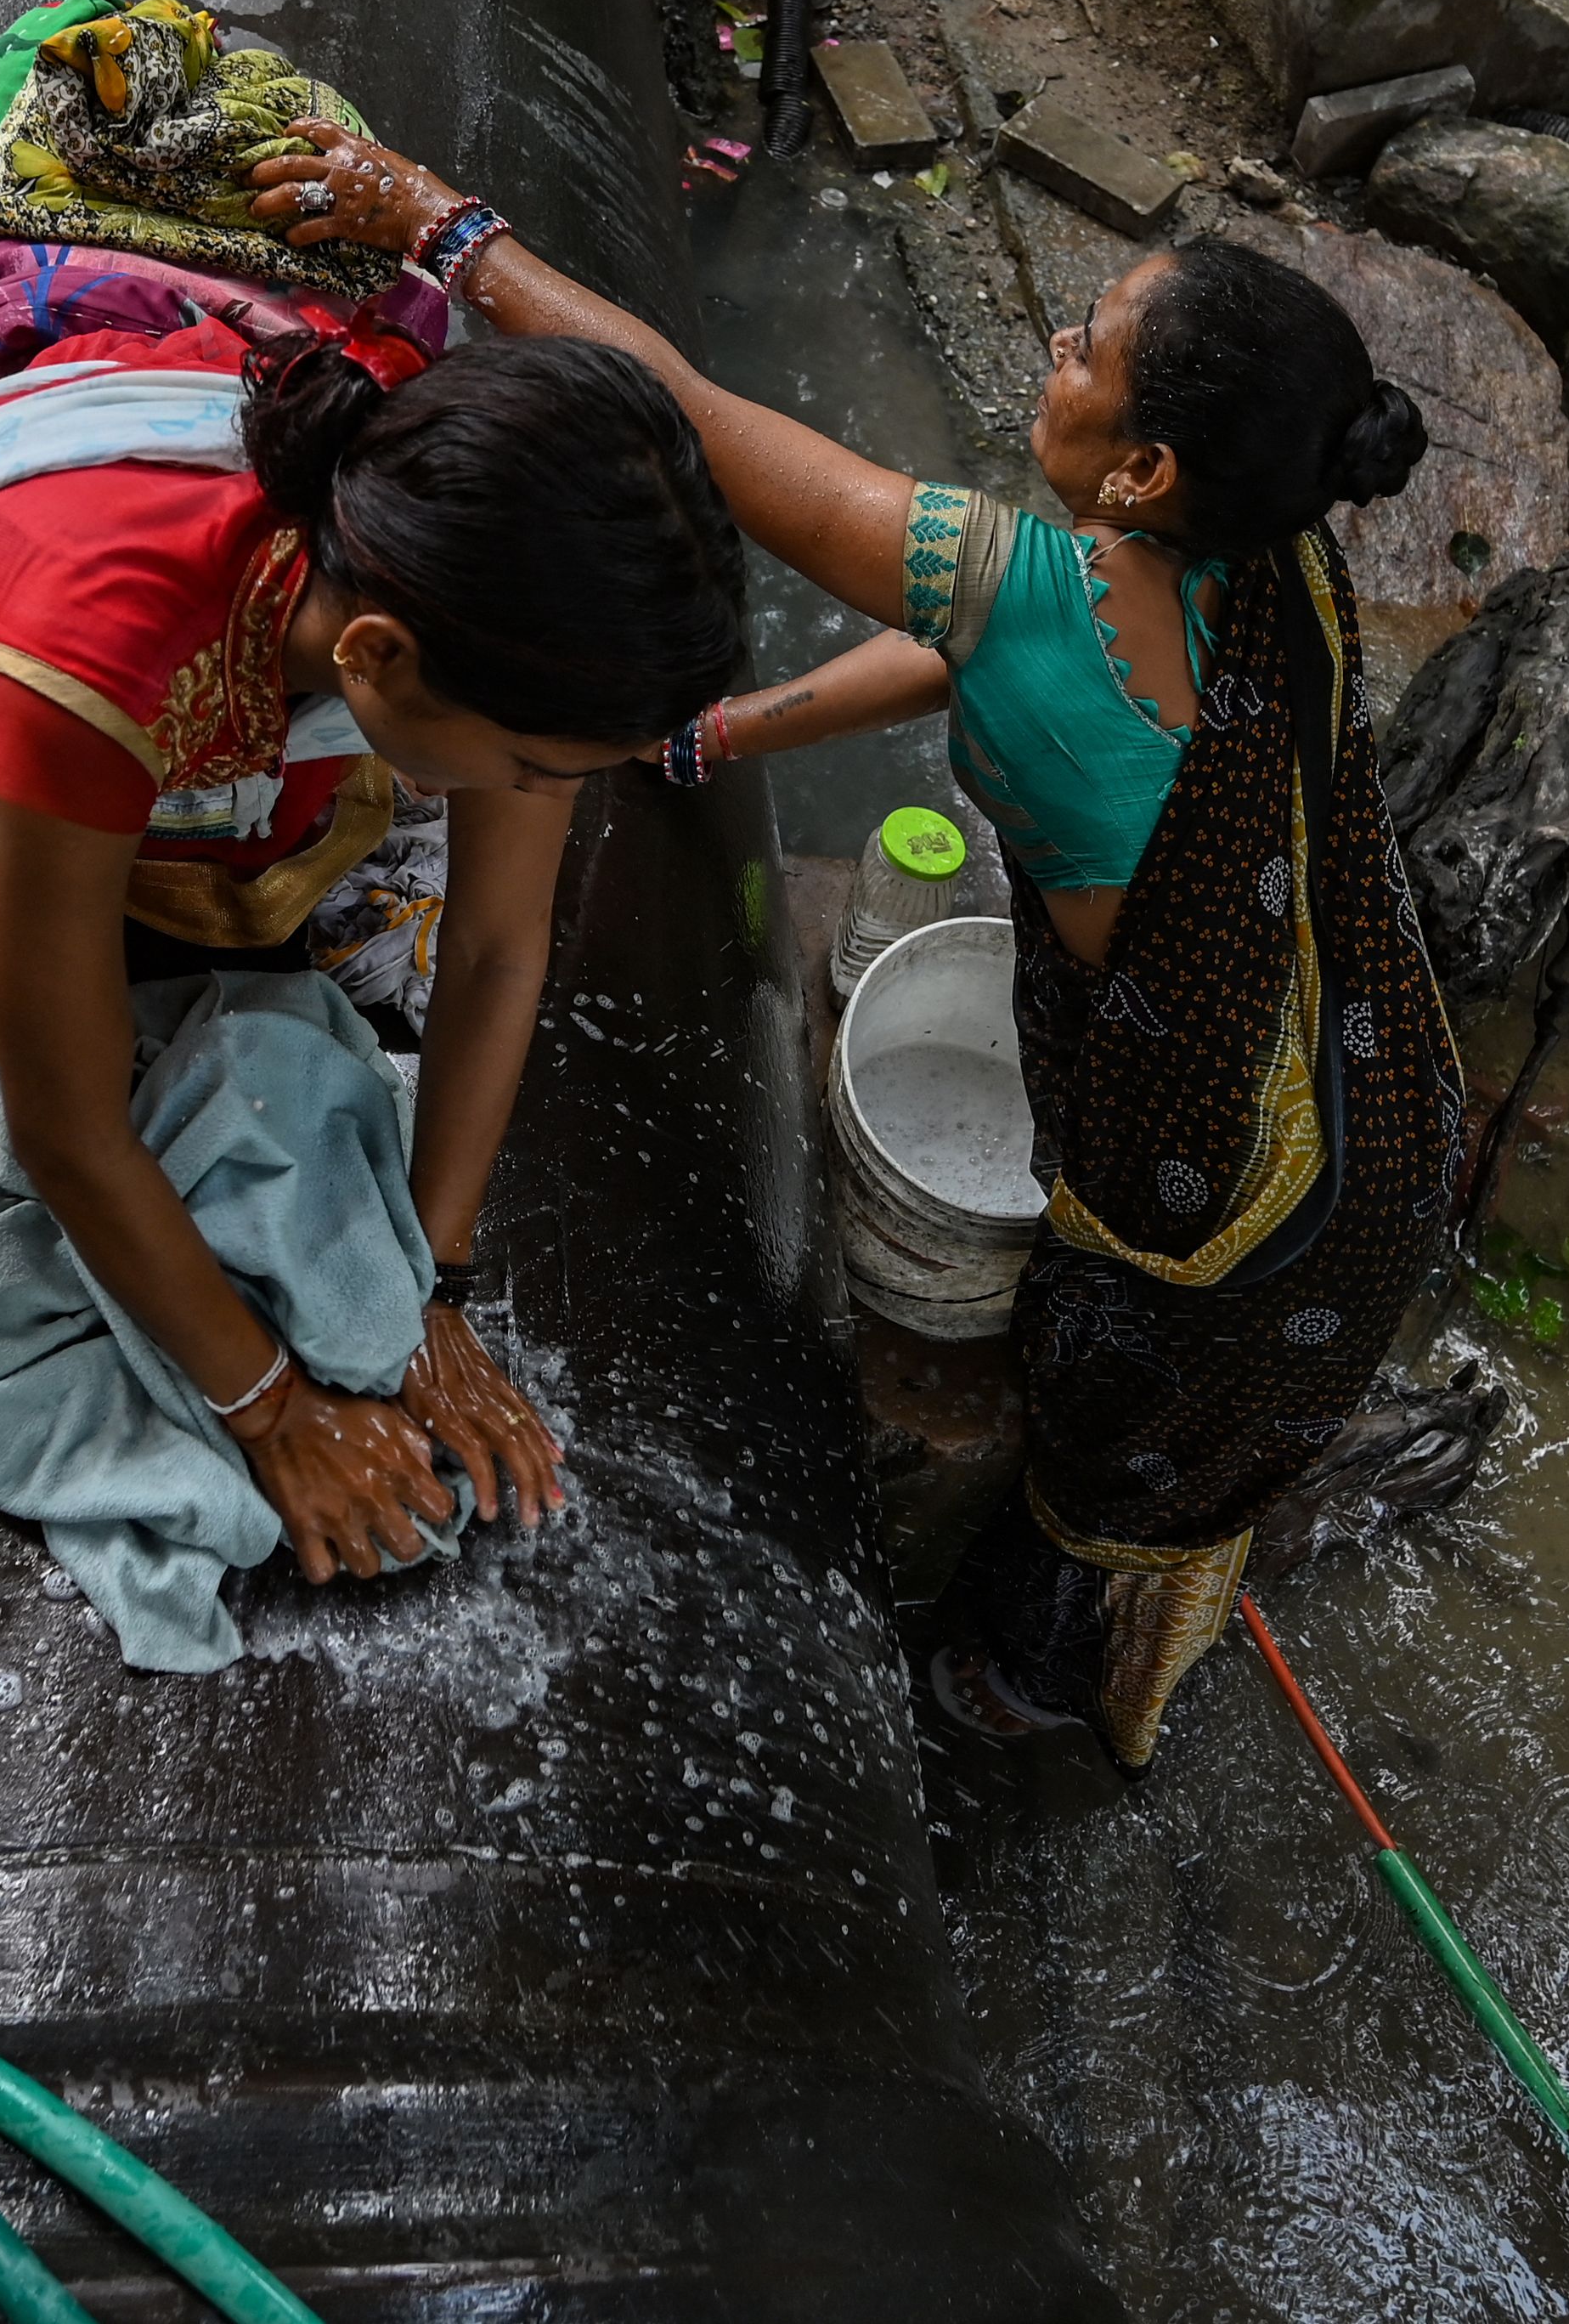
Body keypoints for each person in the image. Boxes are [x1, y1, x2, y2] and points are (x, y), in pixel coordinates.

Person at [252, 135, 1461, 1769]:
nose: (1056, 351)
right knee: (1183, 1405)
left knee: (1104, 1441)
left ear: (1146, 474)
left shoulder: (1040, 598)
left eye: (1086, 346)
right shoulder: (1264, 553)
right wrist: (721, 732)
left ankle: (1013, 1684)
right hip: (1355, 1089)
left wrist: (445, 231)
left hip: (1226, 1223)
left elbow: (678, 407)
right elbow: (976, 645)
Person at [0, 307, 752, 1592]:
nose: (533, 794)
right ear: (375, 658)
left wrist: (426, 1286)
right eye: (528, 767)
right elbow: (65, 1134)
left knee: (230, 845)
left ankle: (48, 888)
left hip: (151, 657)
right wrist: (275, 1410)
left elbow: (502, 950)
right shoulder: (102, 657)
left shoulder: (440, 548)